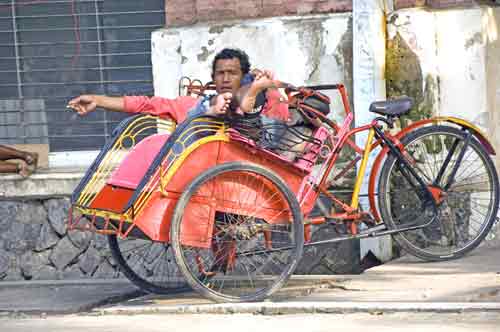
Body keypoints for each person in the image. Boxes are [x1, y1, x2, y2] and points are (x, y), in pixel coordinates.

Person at [67, 48, 288, 123]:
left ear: (244, 76)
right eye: (221, 73)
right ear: (213, 78)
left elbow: (279, 121)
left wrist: (269, 89)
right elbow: (146, 104)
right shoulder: (190, 105)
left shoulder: (262, 100)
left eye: (233, 73)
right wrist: (98, 100)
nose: (226, 78)